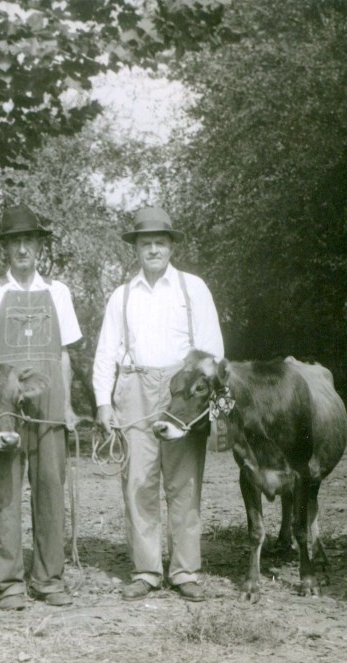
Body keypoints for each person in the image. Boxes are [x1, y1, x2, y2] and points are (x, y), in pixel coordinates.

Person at [0, 204, 82, 611]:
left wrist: (69, 407)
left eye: (29, 240)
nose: (22, 248)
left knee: (49, 492)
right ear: (5, 249)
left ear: (39, 246)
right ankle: (8, 582)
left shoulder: (58, 292)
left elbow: (62, 354)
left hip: (47, 408)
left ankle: (48, 579)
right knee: (4, 494)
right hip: (3, 411)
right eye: (14, 242)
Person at [92, 206, 224, 602]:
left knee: (183, 482)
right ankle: (146, 571)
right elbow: (105, 354)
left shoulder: (193, 288)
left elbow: (211, 352)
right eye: (145, 243)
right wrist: (103, 403)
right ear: (135, 249)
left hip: (181, 390)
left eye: (160, 243)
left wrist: (203, 399)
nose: (153, 250)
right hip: (133, 388)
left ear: (171, 247)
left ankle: (185, 571)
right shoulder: (122, 296)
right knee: (138, 482)